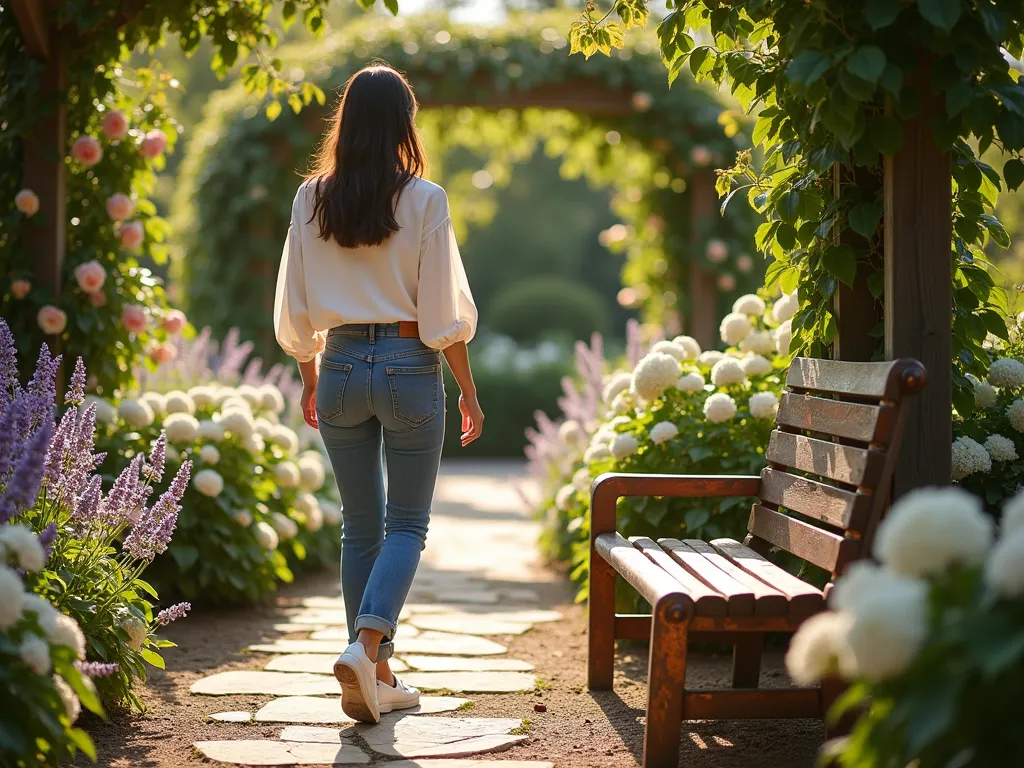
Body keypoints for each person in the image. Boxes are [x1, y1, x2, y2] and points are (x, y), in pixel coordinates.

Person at [274, 63, 483, 724]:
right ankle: (366, 651)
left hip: (337, 364)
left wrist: (311, 376)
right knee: (408, 524)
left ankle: (375, 673)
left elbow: (296, 299)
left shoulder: (311, 198)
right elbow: (442, 311)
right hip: (406, 364)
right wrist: (468, 393)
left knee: (358, 525)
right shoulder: (426, 199)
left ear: (347, 121)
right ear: (402, 124)